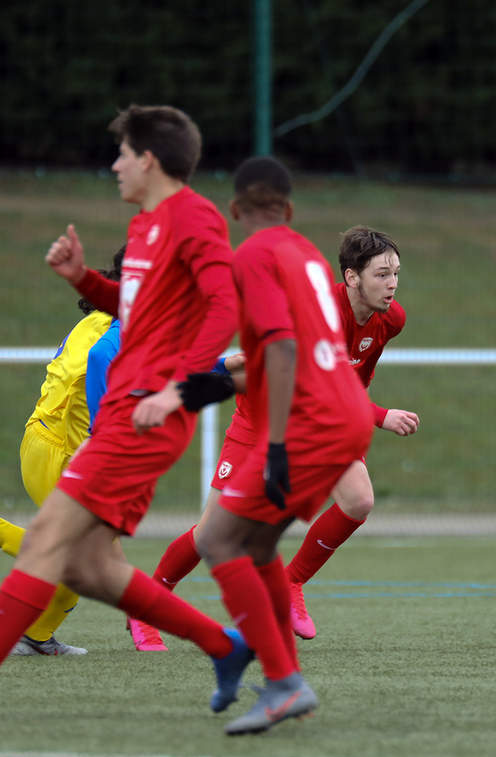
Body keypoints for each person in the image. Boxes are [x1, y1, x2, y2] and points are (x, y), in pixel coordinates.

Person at [0, 104, 253, 721]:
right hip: (125, 417)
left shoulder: (196, 221)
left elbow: (223, 310)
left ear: (149, 160)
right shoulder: (144, 228)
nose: (114, 165)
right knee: (89, 569)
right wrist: (84, 278)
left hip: (144, 418)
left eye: (122, 154)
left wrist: (178, 390)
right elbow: (135, 313)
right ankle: (225, 647)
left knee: (48, 543)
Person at [135, 224, 417, 646]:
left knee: (359, 500)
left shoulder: (390, 320)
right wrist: (378, 417)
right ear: (351, 277)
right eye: (382, 274)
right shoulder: (318, 316)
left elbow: (353, 378)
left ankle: (291, 584)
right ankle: (149, 605)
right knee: (213, 532)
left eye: (396, 273)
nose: (392, 283)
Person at [174, 155, 376, 735]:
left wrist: (280, 443)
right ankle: (284, 680)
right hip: (346, 414)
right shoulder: (309, 256)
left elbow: (283, 347)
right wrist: (215, 384)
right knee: (257, 545)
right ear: (288, 210)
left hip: (311, 421)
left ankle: (283, 681)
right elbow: (285, 348)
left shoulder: (253, 255)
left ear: (234, 210)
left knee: (216, 536)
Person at [0, 249, 126, 657]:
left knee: (93, 560)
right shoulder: (106, 329)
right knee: (90, 561)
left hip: (59, 445)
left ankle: (36, 636)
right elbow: (91, 366)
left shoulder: (107, 323)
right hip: (59, 450)